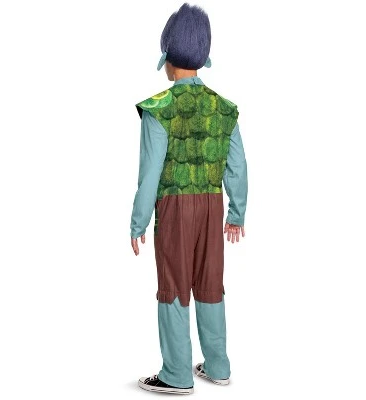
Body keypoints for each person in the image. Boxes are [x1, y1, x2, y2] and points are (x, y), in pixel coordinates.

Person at [130, 3, 248, 395]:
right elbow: (237, 167)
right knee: (211, 282)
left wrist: (138, 221)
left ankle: (177, 374)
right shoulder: (224, 109)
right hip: (213, 206)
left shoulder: (159, 109)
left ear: (166, 53)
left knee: (174, 286)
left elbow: (150, 173)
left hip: (174, 207)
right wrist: (236, 213)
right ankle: (218, 366)